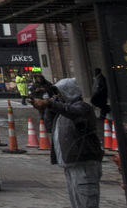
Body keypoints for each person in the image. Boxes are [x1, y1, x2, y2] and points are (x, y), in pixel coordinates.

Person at [31, 77, 103, 208]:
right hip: (71, 164)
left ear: (68, 92)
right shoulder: (62, 112)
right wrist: (49, 108)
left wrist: (50, 104)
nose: (58, 96)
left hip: (84, 164)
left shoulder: (82, 108)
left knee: (87, 202)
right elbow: (49, 126)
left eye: (60, 93)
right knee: (77, 202)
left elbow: (73, 113)